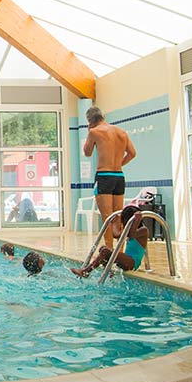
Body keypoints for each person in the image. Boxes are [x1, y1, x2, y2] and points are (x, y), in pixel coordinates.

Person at [82, 107, 136, 247]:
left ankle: (109, 251)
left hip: (104, 176)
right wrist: (119, 164)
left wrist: (89, 132)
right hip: (119, 176)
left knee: (107, 217)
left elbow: (87, 152)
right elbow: (132, 153)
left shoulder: (94, 132)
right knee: (118, 216)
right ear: (102, 116)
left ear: (90, 121)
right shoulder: (121, 132)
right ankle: (120, 253)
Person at [71, 205, 148, 278]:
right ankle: (110, 274)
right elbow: (116, 235)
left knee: (105, 251)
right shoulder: (130, 229)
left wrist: (136, 220)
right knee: (103, 248)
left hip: (133, 263)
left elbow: (131, 235)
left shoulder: (143, 230)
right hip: (128, 259)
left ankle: (86, 272)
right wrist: (114, 222)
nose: (124, 224)